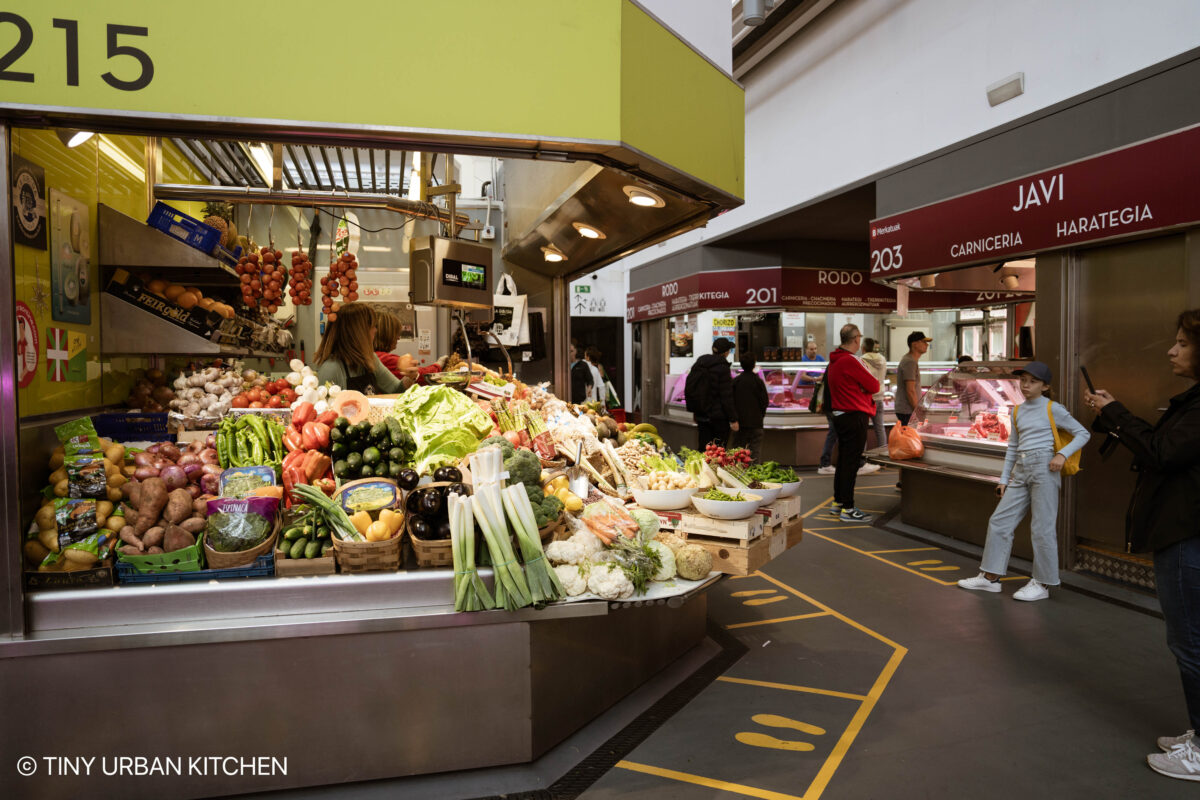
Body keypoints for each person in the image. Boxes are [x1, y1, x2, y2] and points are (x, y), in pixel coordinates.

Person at [1084, 311, 1200, 783]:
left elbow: (1161, 452)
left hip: (1186, 533)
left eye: (1182, 343)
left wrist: (1116, 414)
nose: (1172, 351)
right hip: (1183, 530)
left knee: (1190, 641)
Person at [958, 361, 1089, 601]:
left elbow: (1083, 433)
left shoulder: (1053, 408)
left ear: (1046, 386)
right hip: (1021, 468)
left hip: (1045, 467)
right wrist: (1004, 478)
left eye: (1033, 381)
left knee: (1042, 528)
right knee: (999, 522)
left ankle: (1042, 583)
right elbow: (1013, 447)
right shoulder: (1017, 410)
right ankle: (990, 578)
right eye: (1023, 380)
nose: (1026, 385)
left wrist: (1061, 455)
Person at [826, 324, 879, 522]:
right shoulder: (850, 361)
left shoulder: (835, 360)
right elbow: (874, 385)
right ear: (856, 339)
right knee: (851, 463)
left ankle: (838, 502)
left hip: (840, 416)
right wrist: (862, 389)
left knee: (843, 461)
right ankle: (848, 509)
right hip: (854, 416)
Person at [314, 302, 407, 394]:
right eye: (372, 326)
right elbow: (324, 406)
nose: (375, 330)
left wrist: (411, 376)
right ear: (358, 333)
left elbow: (397, 390)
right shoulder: (331, 369)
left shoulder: (370, 359)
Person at [689, 338, 739, 448]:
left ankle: (701, 465)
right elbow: (726, 396)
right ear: (726, 352)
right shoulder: (723, 368)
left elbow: (695, 389)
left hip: (702, 416)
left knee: (704, 448)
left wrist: (695, 412)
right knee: (718, 451)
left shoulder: (700, 363)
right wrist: (733, 419)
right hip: (719, 418)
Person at [732, 354, 769, 461]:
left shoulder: (736, 381)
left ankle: (737, 475)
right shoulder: (758, 381)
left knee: (738, 453)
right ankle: (754, 474)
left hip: (740, 424)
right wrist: (760, 416)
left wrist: (733, 418)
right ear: (754, 365)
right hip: (756, 423)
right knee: (754, 453)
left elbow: (730, 402)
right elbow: (764, 402)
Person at [894, 331, 931, 426]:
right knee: (909, 439)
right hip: (907, 410)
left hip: (908, 410)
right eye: (923, 342)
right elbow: (910, 390)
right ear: (914, 344)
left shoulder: (910, 360)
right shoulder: (910, 362)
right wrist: (917, 411)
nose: (927, 345)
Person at [861, 337, 889, 450]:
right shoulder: (882, 359)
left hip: (866, 399)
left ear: (863, 348)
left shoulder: (861, 360)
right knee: (880, 429)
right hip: (879, 398)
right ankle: (883, 455)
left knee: (862, 430)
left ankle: (862, 457)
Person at [373, 311, 405, 380]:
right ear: (385, 335)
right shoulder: (385, 359)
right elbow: (422, 375)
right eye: (396, 333)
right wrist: (435, 366)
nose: (398, 337)